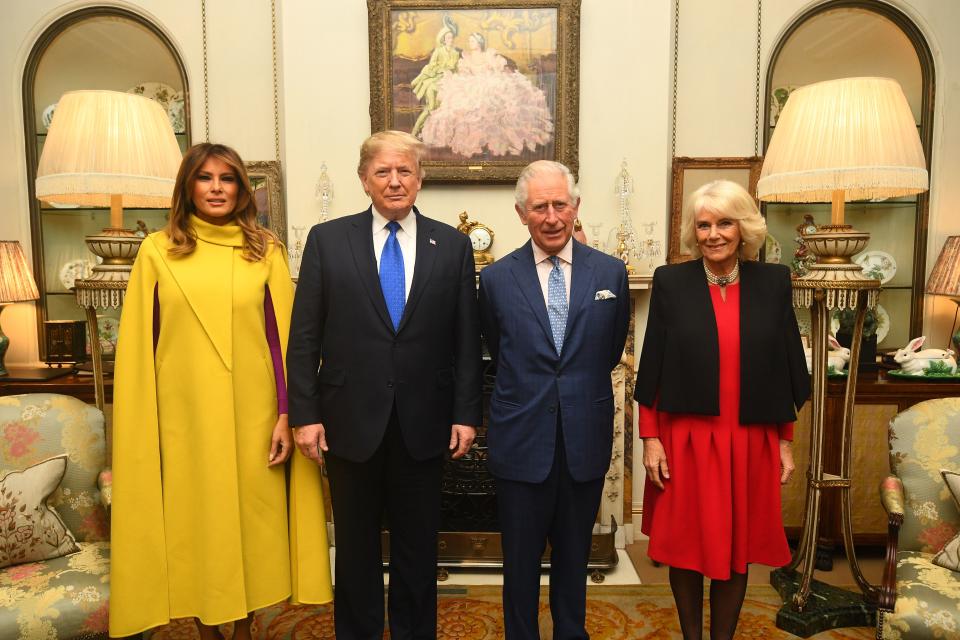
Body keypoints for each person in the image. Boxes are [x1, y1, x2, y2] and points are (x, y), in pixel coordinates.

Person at [110, 143, 332, 639]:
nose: (216, 188)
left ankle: (247, 624)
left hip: (254, 417)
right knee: (195, 522)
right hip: (182, 415)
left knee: (253, 525)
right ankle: (206, 627)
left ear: (241, 189)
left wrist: (284, 413)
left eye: (227, 179)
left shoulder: (264, 249)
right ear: (187, 186)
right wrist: (147, 425)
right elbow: (140, 343)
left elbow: (284, 344)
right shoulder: (157, 250)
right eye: (205, 178)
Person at [287, 130, 482, 639]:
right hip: (349, 420)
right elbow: (304, 337)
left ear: (420, 178)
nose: (395, 181)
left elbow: (466, 339)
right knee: (354, 548)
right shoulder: (328, 241)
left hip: (425, 421)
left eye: (405, 171)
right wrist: (305, 414)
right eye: (383, 172)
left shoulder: (453, 246)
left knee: (419, 547)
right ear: (364, 180)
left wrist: (466, 413)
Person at [634, 179, 810, 640]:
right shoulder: (672, 282)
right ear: (695, 231)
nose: (714, 234)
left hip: (749, 439)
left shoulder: (773, 283)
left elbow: (784, 368)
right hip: (685, 440)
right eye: (705, 224)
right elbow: (651, 366)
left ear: (744, 228)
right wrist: (650, 439)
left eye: (725, 223)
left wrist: (784, 443)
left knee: (736, 546)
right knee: (686, 547)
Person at [478, 160, 630, 639]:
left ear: (576, 207)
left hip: (583, 437)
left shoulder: (611, 272)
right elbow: (495, 347)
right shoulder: (497, 278)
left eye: (559, 204)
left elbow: (607, 352)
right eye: (539, 207)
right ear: (522, 214)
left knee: (573, 556)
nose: (551, 216)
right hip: (521, 438)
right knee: (519, 561)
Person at [421, 31, 554, 158]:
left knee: (493, 97)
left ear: (479, 42)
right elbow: (464, 74)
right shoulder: (466, 58)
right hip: (471, 84)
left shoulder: (488, 55)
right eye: (469, 41)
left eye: (472, 41)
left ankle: (490, 137)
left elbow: (499, 69)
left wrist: (493, 75)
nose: (470, 43)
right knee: (460, 105)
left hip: (488, 82)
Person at [410, 17, 461, 138]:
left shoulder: (455, 53)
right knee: (431, 107)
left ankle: (434, 134)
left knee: (448, 107)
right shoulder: (438, 51)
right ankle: (413, 133)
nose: (451, 40)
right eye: (448, 37)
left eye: (452, 38)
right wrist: (442, 70)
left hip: (449, 83)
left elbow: (456, 70)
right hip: (434, 82)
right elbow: (431, 66)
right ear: (444, 39)